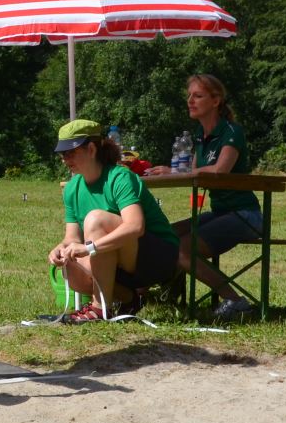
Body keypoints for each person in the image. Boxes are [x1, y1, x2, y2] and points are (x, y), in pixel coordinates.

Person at [144, 75, 261, 318]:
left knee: (183, 250)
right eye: (189, 96)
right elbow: (193, 172)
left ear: (216, 100)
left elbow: (220, 170)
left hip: (245, 214)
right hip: (220, 212)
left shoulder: (231, 131)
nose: (190, 101)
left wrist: (174, 171)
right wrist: (170, 172)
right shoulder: (199, 134)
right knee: (166, 235)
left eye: (197, 96)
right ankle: (159, 290)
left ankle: (236, 301)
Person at [49, 120, 182, 322]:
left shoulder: (120, 177)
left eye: (70, 153)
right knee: (70, 265)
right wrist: (60, 249)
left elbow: (135, 226)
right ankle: (130, 300)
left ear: (91, 149)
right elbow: (71, 238)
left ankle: (99, 308)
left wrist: (91, 248)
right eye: (62, 154)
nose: (65, 160)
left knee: (96, 219)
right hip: (119, 260)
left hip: (157, 257)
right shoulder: (71, 189)